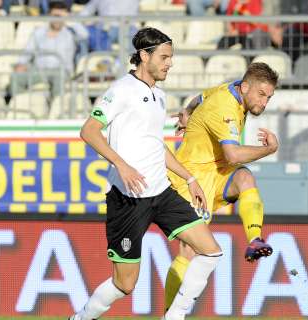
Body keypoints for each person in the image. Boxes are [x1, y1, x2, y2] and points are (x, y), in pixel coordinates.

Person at [69, 27, 222, 320]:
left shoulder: (160, 96)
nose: (169, 63)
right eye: (164, 57)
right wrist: (122, 165)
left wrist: (190, 179)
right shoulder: (121, 91)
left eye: (171, 57)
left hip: (161, 194)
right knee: (124, 284)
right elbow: (88, 130)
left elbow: (155, 145)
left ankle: (174, 316)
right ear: (143, 55)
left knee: (211, 251)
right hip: (128, 201)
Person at [163, 62, 279, 311]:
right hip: (189, 179)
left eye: (269, 97)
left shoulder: (231, 89)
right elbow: (233, 155)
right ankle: (168, 315)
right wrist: (269, 149)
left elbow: (199, 97)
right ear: (246, 86)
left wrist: (187, 111)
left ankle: (255, 240)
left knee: (245, 178)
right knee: (189, 252)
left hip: (215, 174)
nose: (264, 103)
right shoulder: (225, 107)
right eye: (261, 94)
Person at [9, 0, 88, 97]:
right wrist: (21, 64)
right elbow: (27, 51)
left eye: (60, 16)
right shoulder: (39, 32)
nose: (57, 19)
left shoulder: (70, 33)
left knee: (58, 79)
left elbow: (85, 35)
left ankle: (56, 109)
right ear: (49, 15)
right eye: (54, 15)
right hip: (39, 71)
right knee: (16, 77)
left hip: (62, 72)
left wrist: (68, 18)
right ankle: (18, 106)